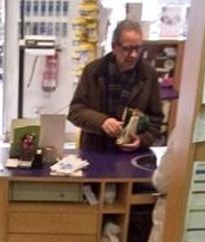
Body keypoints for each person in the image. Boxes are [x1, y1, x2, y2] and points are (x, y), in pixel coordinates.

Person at [67, 20, 164, 153]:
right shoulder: (94, 71)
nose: (134, 55)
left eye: (138, 48)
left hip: (133, 154)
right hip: (96, 151)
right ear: (114, 46)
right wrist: (102, 121)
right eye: (127, 48)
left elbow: (156, 120)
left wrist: (141, 140)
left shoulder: (149, 74)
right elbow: (76, 112)